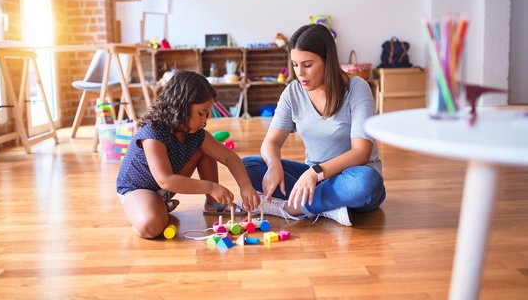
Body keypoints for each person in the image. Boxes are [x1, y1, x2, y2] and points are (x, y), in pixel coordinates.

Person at [242, 24, 385, 226]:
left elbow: (361, 153)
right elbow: (270, 143)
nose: (300, 73)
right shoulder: (293, 92)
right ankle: (328, 208)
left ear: (328, 61)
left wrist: (315, 172)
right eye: (294, 64)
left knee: (366, 182)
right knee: (247, 166)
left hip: (350, 177)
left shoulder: (357, 88)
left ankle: (297, 208)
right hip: (314, 180)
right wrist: (274, 164)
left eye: (307, 65)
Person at [116, 70, 261, 239]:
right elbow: (165, 180)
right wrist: (211, 187)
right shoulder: (152, 132)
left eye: (207, 114)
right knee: (151, 226)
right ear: (181, 106)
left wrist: (245, 185)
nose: (204, 120)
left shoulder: (196, 133)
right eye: (201, 113)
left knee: (206, 147)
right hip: (138, 189)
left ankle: (211, 204)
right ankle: (157, 210)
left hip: (165, 189)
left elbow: (229, 157)